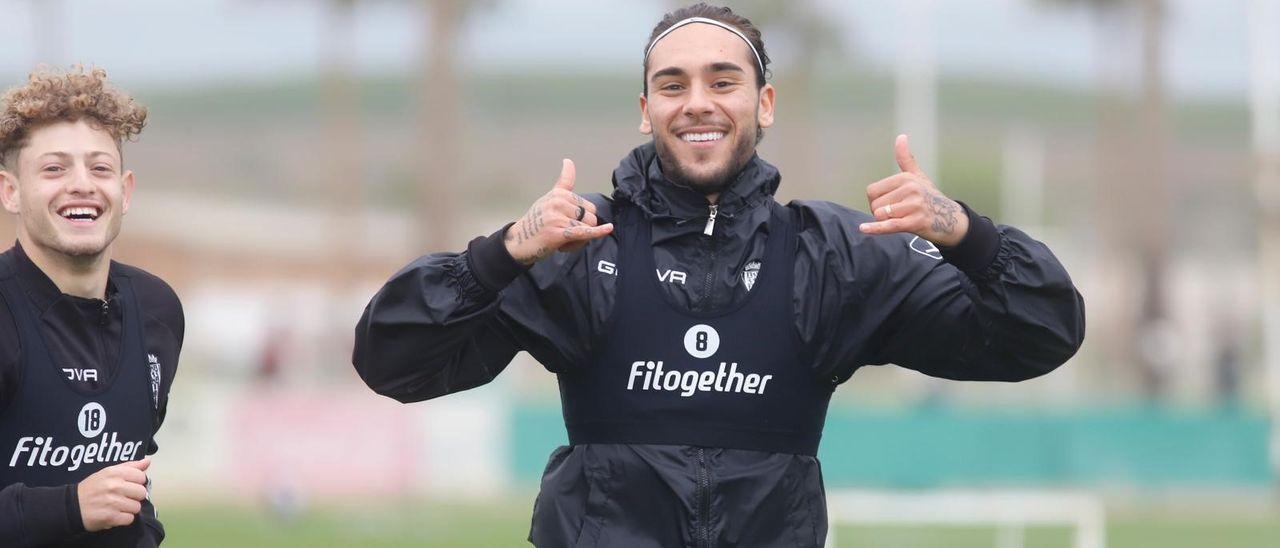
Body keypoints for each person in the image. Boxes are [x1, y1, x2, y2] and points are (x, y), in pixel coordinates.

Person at [353, 3, 1085, 546]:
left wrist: (969, 235)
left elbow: (1042, 333)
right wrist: (501, 254)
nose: (697, 101)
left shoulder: (832, 256)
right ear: (646, 111)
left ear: (762, 103)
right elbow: (391, 360)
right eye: (672, 85)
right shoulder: (574, 247)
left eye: (722, 81)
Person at [0, 67, 184, 547]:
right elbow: (90, 504)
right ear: (10, 191)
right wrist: (70, 507)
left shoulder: (157, 309)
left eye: (99, 168)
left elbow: (133, 488)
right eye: (54, 168)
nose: (81, 184)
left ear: (124, 191)